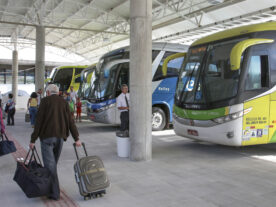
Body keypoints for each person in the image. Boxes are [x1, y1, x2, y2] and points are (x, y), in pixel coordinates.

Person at [29, 84, 81, 201]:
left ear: (48, 93)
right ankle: (49, 188)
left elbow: (38, 121)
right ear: (58, 93)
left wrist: (33, 139)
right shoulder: (64, 102)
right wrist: (76, 138)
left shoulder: (44, 101)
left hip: (47, 138)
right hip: (60, 138)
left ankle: (54, 193)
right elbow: (71, 121)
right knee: (52, 165)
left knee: (50, 166)